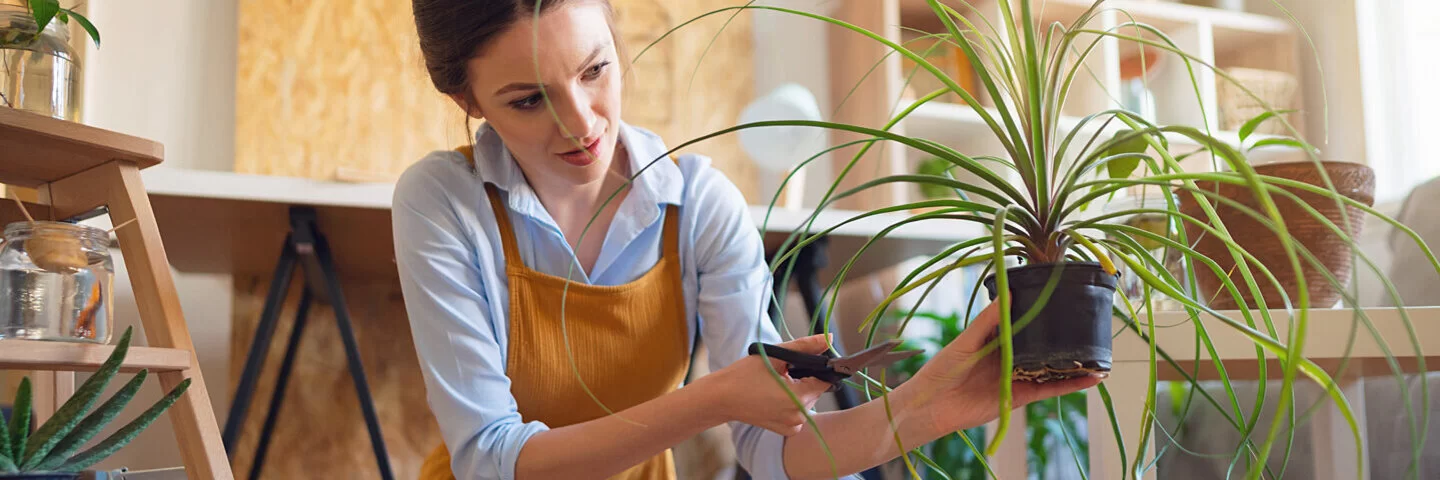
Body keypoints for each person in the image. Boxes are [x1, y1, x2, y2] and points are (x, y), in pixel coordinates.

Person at [394, 1, 1103, 479]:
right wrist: (712, 399)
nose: (581, 123)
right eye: (527, 100)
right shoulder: (443, 203)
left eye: (595, 70)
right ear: (467, 101)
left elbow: (774, 450)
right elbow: (490, 457)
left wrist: (932, 404)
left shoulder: (697, 203)